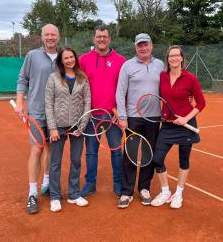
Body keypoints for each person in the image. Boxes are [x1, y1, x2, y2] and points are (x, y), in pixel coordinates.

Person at [151, 45, 206, 209]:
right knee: (157, 159)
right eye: (170, 56)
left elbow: (201, 103)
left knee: (184, 160)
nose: (173, 58)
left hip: (186, 125)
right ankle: (165, 191)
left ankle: (179, 194)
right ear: (167, 59)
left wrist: (186, 119)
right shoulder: (162, 76)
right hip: (167, 125)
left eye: (176, 55)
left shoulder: (190, 78)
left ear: (182, 58)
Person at [115, 33, 164, 208]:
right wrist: (122, 116)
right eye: (139, 45)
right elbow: (120, 92)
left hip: (153, 117)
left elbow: (166, 88)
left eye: (146, 44)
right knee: (130, 155)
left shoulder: (159, 64)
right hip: (133, 118)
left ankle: (144, 188)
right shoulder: (127, 66)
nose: (143, 48)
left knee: (148, 155)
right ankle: (126, 192)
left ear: (151, 45)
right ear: (136, 47)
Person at [15, 24, 59, 214]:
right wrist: (19, 102)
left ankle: (47, 183)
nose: (50, 37)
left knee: (51, 149)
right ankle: (32, 193)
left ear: (58, 36)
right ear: (42, 37)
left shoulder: (64, 56)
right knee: (36, 149)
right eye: (47, 34)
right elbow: (22, 79)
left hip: (57, 113)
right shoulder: (32, 56)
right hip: (37, 112)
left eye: (53, 34)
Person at [79, 25, 126, 198]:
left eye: (105, 36)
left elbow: (125, 88)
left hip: (113, 115)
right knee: (91, 152)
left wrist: (120, 112)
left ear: (109, 39)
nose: (102, 39)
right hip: (92, 115)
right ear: (94, 39)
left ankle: (118, 184)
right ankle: (90, 184)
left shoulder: (121, 60)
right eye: (99, 36)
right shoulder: (84, 59)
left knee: (116, 150)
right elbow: (78, 86)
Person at [45, 47, 91, 212]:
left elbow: (87, 103)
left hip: (77, 127)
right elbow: (48, 104)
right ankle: (55, 197)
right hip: (58, 127)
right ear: (61, 61)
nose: (70, 60)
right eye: (66, 58)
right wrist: (52, 128)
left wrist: (82, 126)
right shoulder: (53, 78)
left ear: (75, 58)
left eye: (72, 57)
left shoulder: (82, 77)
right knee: (55, 162)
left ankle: (73, 194)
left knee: (76, 161)